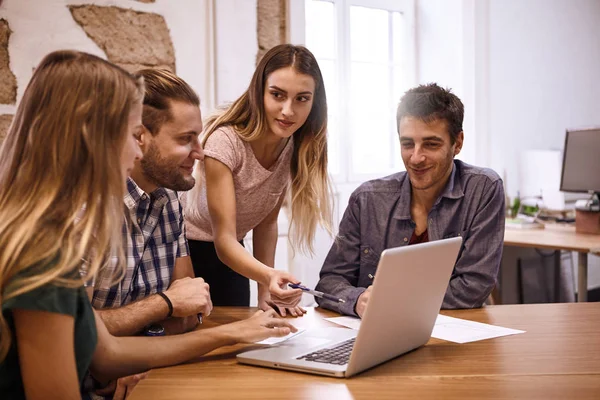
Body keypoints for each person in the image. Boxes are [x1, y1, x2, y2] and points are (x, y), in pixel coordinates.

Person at [0, 50, 295, 400]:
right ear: (91, 140)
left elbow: (105, 353)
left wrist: (234, 333)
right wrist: (172, 309)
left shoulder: (50, 234)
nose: (137, 152)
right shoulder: (42, 252)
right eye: (129, 134)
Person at [315, 83, 505, 318]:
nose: (416, 157)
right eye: (407, 144)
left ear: (458, 143)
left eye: (431, 144)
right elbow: (329, 282)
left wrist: (392, 299)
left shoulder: (483, 189)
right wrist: (357, 301)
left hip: (455, 333)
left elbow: (474, 287)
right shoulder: (366, 200)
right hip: (378, 334)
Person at [87, 68, 211, 399]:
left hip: (147, 376)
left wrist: (133, 334)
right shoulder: (86, 209)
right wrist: (164, 304)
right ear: (140, 136)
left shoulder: (169, 197)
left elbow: (188, 314)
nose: (199, 152)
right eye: (186, 139)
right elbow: (79, 333)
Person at [183, 44, 333, 316]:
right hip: (186, 254)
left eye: (302, 98)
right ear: (259, 91)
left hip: (233, 257)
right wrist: (268, 275)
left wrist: (267, 291)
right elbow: (224, 239)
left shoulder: (293, 146)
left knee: (240, 344)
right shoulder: (224, 142)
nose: (288, 110)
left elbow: (266, 223)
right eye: (277, 95)